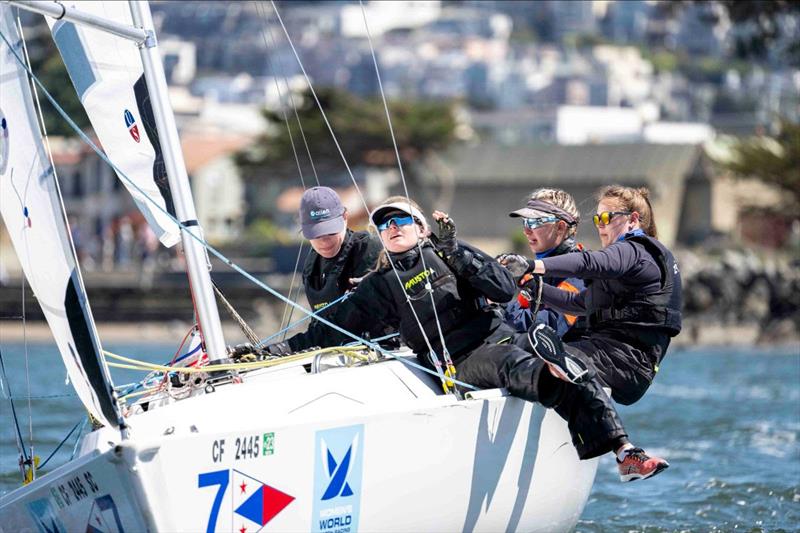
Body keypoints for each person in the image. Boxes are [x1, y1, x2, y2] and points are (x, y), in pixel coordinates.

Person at [263, 196, 668, 482]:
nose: (392, 228)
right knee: (527, 368)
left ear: (421, 228)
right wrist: (271, 351)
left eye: (400, 221)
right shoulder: (381, 286)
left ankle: (624, 452)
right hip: (461, 360)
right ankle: (553, 381)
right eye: (384, 225)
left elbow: (503, 289)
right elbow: (326, 328)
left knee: (573, 362)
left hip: (500, 333)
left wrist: (457, 252)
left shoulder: (448, 253)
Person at [509, 185, 680, 478]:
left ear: (633, 220)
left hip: (626, 359)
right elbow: (577, 304)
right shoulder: (624, 263)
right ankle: (623, 455)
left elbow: (589, 262)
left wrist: (533, 265)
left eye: (606, 218)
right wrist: (533, 285)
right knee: (544, 360)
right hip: (617, 355)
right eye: (596, 220)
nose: (600, 227)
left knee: (554, 356)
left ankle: (627, 452)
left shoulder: (634, 251)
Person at [296, 186, 385, 340]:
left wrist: (291, 345)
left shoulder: (370, 250)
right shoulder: (312, 263)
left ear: (344, 217)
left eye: (330, 231)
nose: (324, 241)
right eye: (316, 234)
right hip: (332, 351)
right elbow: (318, 323)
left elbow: (357, 318)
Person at [499, 188, 586, 340]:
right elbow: (519, 310)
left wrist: (497, 311)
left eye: (535, 222)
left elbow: (548, 328)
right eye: (525, 222)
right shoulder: (538, 270)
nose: (526, 230)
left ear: (560, 227)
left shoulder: (580, 272)